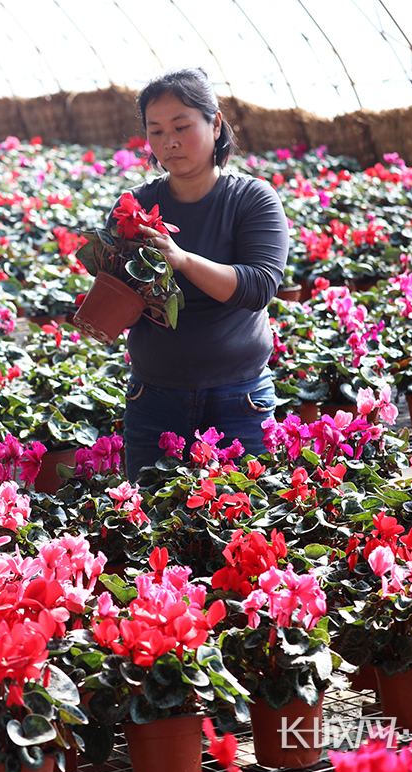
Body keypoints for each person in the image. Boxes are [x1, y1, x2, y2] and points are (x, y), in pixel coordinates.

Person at [116, 67, 289, 478]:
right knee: (152, 531)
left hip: (239, 398)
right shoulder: (134, 207)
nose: (169, 142)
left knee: (243, 528)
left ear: (215, 124)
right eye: (155, 131)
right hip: (153, 398)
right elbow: (123, 295)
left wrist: (181, 259)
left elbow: (258, 287)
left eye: (181, 126)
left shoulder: (253, 200)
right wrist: (104, 295)